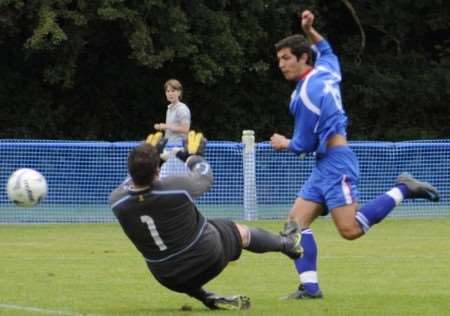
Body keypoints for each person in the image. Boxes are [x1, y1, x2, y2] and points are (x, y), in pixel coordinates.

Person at [271, 10, 440, 299]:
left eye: (287, 58)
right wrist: (310, 30)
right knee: (295, 224)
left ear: (302, 58)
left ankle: (404, 188)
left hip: (336, 163)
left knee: (349, 230)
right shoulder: (325, 71)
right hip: (326, 163)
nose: (281, 64)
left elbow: (302, 145)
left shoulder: (305, 95)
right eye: (279, 60)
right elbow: (326, 49)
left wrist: (283, 142)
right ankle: (310, 288)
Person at [109, 131, 303, 310]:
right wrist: (193, 155)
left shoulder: (117, 201)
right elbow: (205, 177)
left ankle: (207, 297)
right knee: (237, 230)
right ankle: (288, 244)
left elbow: (135, 180)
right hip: (207, 257)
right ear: (157, 171)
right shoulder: (176, 187)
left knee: (174, 255)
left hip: (166, 277)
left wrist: (155, 157)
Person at [154, 79, 191, 177]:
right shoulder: (169, 108)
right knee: (164, 178)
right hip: (169, 149)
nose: (170, 94)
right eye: (168, 91)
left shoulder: (182, 109)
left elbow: (186, 129)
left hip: (178, 150)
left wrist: (166, 126)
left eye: (173, 91)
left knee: (178, 180)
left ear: (179, 92)